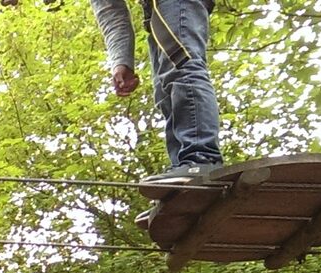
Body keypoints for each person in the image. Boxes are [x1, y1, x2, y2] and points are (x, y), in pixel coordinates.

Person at [91, 0, 224, 187]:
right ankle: (184, 173)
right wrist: (122, 62)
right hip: (156, 14)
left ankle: (201, 159)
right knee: (164, 91)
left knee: (182, 69)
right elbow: (111, 11)